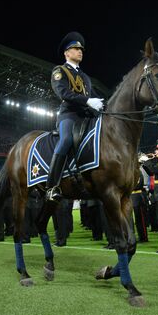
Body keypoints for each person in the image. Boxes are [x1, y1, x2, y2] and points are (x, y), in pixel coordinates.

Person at [45, 31, 104, 204]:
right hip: (69, 115)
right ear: (67, 53)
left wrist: (104, 104)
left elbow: (94, 96)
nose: (80, 52)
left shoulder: (85, 76)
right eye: (76, 49)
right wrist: (88, 101)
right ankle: (52, 186)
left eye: (81, 50)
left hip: (86, 116)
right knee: (66, 140)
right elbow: (63, 93)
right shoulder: (60, 71)